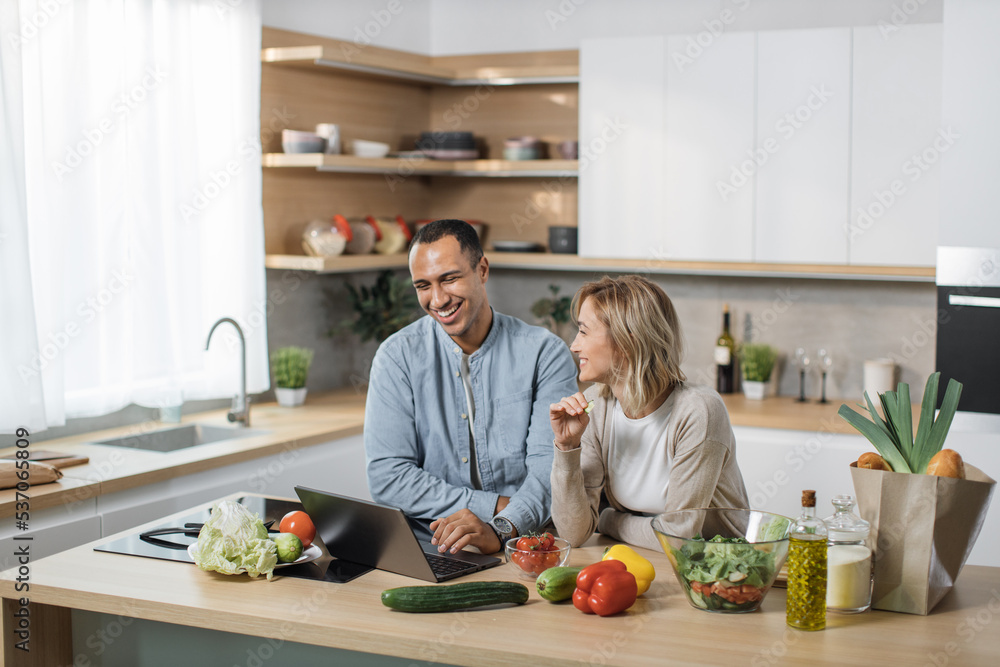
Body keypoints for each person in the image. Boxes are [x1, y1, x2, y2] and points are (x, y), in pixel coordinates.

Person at [364, 219, 579, 555]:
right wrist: (495, 505)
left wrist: (504, 525)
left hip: (527, 541)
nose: (437, 299)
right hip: (431, 543)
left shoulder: (544, 353)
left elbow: (550, 470)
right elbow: (388, 477)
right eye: (423, 285)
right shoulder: (397, 356)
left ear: (482, 270)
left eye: (449, 278)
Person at [549, 275, 750, 551]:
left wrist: (608, 520)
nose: (574, 345)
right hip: (640, 556)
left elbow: (677, 539)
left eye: (584, 331)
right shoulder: (596, 406)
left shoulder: (698, 412)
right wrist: (567, 448)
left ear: (627, 341)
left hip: (719, 569)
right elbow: (573, 533)